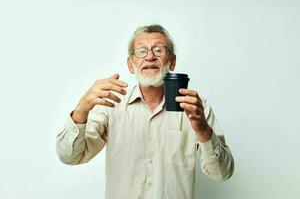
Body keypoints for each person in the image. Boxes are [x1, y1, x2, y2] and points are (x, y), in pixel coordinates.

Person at [56, 24, 234, 199]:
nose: (150, 57)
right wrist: (81, 109)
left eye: (158, 50)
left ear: (172, 62)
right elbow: (69, 156)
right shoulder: (110, 106)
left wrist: (203, 130)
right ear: (131, 64)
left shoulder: (195, 107)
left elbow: (222, 173)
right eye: (141, 51)